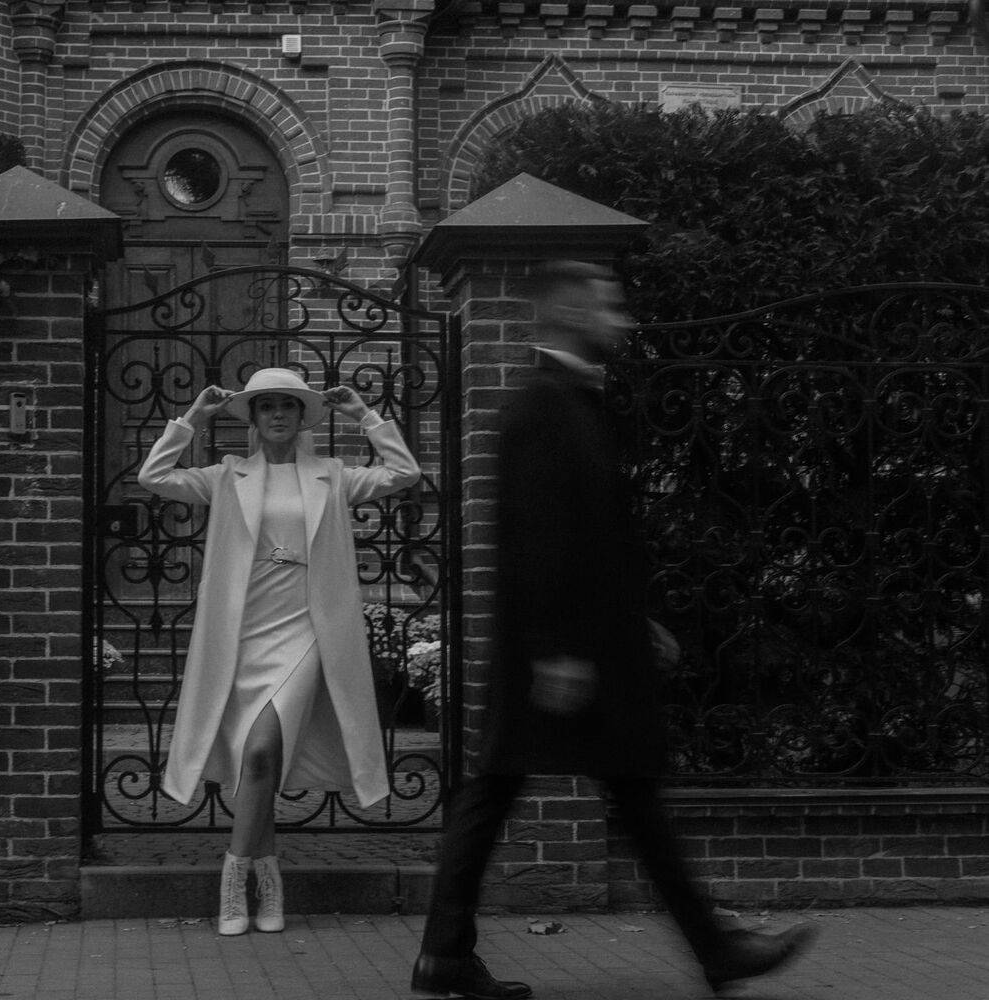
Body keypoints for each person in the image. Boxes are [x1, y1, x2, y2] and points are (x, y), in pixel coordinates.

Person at [410, 261, 817, 999]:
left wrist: (636, 620)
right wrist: (556, 652)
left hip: (588, 643)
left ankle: (446, 955)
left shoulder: (570, 402)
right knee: (562, 790)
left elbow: (592, 536)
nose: (623, 323)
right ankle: (717, 951)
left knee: (544, 790)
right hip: (566, 653)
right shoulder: (542, 407)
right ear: (571, 314)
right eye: (610, 309)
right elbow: (537, 540)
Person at [138, 367, 421, 936]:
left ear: (301, 417)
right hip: (243, 631)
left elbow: (404, 472)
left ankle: (232, 880)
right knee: (256, 762)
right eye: (266, 406)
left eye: (287, 406)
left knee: (265, 748)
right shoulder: (226, 475)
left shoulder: (333, 475)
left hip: (308, 629)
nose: (277, 415)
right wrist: (193, 418)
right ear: (253, 416)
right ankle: (269, 881)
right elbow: (154, 475)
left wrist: (364, 414)